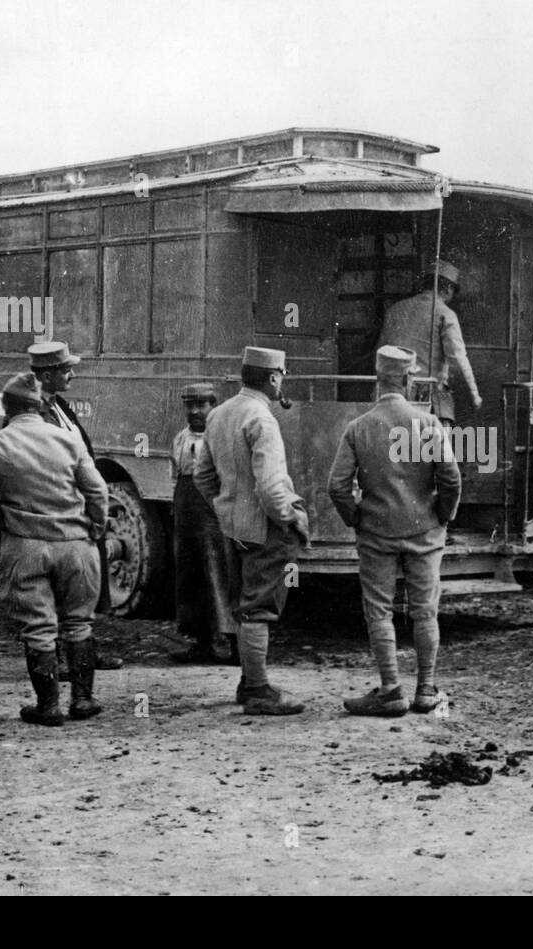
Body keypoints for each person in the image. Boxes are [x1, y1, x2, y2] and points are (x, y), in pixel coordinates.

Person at [0, 372, 109, 726]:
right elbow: (97, 492)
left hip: (24, 546)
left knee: (38, 626)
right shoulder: (68, 440)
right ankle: (83, 701)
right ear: (39, 405)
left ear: (7, 408)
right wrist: (95, 527)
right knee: (79, 622)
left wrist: (0, 519)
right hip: (76, 544)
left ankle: (49, 706)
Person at [328, 345, 462, 715]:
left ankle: (390, 690)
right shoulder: (429, 424)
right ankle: (425, 690)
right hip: (424, 531)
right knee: (424, 611)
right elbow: (450, 479)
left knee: (379, 611)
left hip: (377, 533)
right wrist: (443, 515)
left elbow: (336, 486)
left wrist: (356, 518)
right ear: (408, 379)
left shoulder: (359, 427)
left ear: (378, 379)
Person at [194, 346, 310, 716]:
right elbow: (272, 487)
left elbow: (202, 476)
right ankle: (259, 690)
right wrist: (292, 518)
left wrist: (224, 506)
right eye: (283, 376)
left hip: (233, 526)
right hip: (265, 528)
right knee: (260, 607)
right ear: (274, 377)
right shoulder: (262, 418)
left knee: (243, 604)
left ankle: (249, 681)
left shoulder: (219, 414)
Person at [26, 340, 119, 660]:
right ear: (47, 375)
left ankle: (81, 653)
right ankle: (65, 659)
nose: (72, 375)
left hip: (76, 507)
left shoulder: (57, 406)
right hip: (56, 510)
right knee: (56, 589)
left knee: (78, 586)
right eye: (66, 370)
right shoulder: (32, 412)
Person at [170, 383, 238, 665]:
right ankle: (201, 643)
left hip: (213, 514)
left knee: (220, 574)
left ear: (214, 406)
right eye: (190, 405)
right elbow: (176, 475)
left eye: (201, 405)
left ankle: (235, 645)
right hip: (187, 513)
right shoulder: (180, 439)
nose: (195, 411)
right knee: (191, 576)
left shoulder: (222, 437)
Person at [380, 260, 481, 425]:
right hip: (427, 396)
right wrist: (474, 394)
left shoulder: (395, 310)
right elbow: (458, 360)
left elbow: (380, 351)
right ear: (448, 288)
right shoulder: (445, 314)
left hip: (392, 394)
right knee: (440, 445)